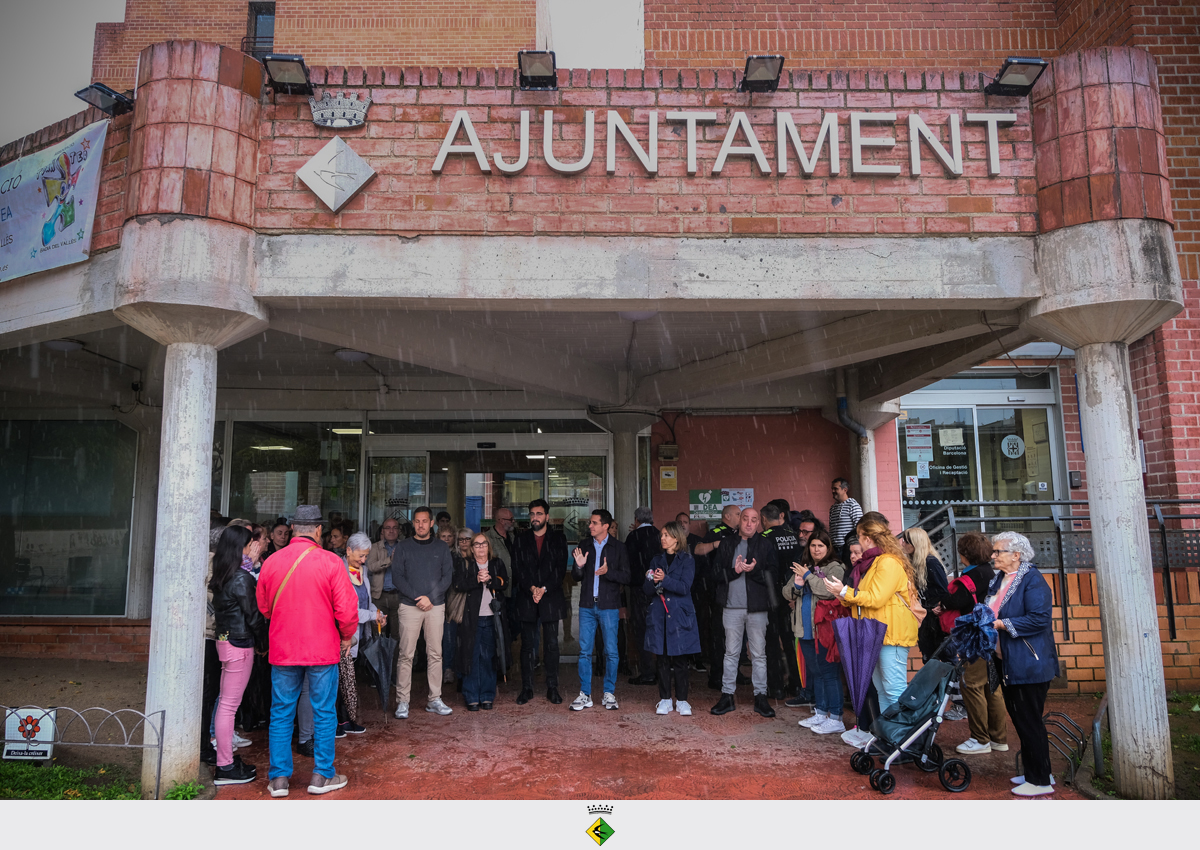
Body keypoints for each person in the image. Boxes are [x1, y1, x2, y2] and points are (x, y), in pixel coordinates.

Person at [256, 505, 358, 797]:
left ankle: (278, 779)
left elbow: (263, 606)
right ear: (317, 530)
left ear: (292, 530)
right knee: (324, 712)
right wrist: (347, 636)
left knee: (281, 712)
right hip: (322, 649)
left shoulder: (272, 561)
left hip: (283, 648)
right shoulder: (331, 562)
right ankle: (322, 775)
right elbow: (347, 610)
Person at [823, 515, 918, 725]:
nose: (857, 541)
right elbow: (862, 598)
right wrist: (842, 594)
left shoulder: (888, 562)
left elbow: (875, 598)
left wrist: (846, 592)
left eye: (859, 536)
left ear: (866, 538)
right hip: (876, 633)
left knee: (893, 690)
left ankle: (902, 740)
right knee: (883, 690)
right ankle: (890, 738)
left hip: (890, 634)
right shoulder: (875, 563)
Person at [988, 531, 1058, 796]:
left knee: (1029, 721)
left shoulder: (1032, 580)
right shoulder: (1001, 579)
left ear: (1016, 555)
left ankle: (1039, 781)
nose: (993, 556)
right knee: (1021, 719)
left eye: (998, 552)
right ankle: (1038, 771)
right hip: (1007, 661)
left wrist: (1002, 624)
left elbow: (1040, 619)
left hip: (1029, 662)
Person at [933, 531, 1007, 756]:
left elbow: (954, 600)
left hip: (973, 638)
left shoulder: (971, 576)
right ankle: (998, 738)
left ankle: (980, 738)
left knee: (972, 686)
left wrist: (941, 598)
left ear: (965, 554)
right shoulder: (993, 573)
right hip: (993, 636)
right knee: (991, 687)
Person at [210, 525, 267, 784]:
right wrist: (263, 643)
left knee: (225, 702)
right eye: (248, 545)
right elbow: (253, 616)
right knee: (228, 706)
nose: (251, 549)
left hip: (224, 640)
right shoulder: (241, 578)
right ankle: (225, 765)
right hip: (240, 644)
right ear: (239, 548)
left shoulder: (223, 574)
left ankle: (226, 762)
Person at [710, 507, 777, 718]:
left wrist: (755, 571)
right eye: (745, 519)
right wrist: (734, 571)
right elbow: (714, 573)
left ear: (759, 522)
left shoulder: (765, 544)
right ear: (739, 520)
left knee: (758, 654)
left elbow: (774, 575)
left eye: (754, 520)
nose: (749, 523)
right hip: (731, 607)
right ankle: (727, 695)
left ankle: (761, 697)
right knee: (730, 653)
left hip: (757, 607)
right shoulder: (728, 543)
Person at [390, 506, 455, 719]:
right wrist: (419, 597)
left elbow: (447, 577)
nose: (420, 525)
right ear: (413, 523)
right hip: (410, 606)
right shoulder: (403, 547)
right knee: (406, 654)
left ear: (432, 522)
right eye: (417, 521)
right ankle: (402, 701)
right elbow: (398, 577)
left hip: (435, 606)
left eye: (424, 521)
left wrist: (430, 597)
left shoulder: (442, 547)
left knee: (435, 653)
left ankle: (434, 699)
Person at [784, 529, 846, 734]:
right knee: (816, 673)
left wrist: (808, 576)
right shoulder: (804, 568)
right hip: (805, 629)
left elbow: (827, 591)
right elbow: (786, 592)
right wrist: (797, 583)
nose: (816, 549)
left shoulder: (835, 567)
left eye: (821, 545)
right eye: (813, 545)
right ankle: (821, 713)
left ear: (828, 548)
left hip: (825, 629)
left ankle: (836, 717)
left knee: (829, 673)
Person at [569, 509, 631, 711]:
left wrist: (608, 572)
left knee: (611, 651)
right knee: (585, 651)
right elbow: (576, 577)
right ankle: (585, 694)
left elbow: (627, 577)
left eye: (594, 523)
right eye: (590, 522)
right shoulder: (584, 545)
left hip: (609, 605)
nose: (590, 526)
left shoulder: (618, 548)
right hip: (587, 605)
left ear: (606, 526)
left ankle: (609, 693)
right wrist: (578, 567)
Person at [512, 499, 568, 704]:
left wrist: (543, 589)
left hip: (550, 596)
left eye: (539, 514)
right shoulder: (520, 539)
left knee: (552, 645)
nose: (535, 517)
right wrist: (532, 588)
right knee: (527, 646)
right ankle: (527, 688)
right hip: (527, 597)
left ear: (547, 516)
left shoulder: (558, 538)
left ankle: (552, 687)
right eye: (532, 514)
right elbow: (518, 568)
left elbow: (560, 569)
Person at [643, 520, 701, 715]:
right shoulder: (656, 560)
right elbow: (647, 589)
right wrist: (652, 580)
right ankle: (665, 699)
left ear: (677, 538)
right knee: (662, 659)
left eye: (666, 535)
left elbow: (684, 587)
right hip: (660, 614)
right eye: (662, 535)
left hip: (679, 615)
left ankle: (683, 700)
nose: (663, 538)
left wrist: (664, 579)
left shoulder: (687, 560)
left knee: (680, 660)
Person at [452, 533, 509, 709]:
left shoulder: (497, 563)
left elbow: (505, 583)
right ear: (471, 548)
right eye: (477, 544)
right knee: (471, 656)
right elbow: (457, 584)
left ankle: (487, 696)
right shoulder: (465, 564)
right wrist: (476, 579)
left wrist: (491, 580)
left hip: (492, 618)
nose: (481, 547)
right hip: (471, 619)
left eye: (484, 543)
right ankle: (471, 697)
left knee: (488, 657)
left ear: (489, 546)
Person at [694, 505, 739, 687]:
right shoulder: (717, 532)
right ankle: (717, 674)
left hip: (736, 590)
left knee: (735, 634)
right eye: (737, 514)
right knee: (719, 633)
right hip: (718, 589)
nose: (740, 517)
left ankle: (733, 672)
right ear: (727, 516)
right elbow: (697, 550)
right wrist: (714, 545)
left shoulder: (739, 534)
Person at [761, 503, 802, 702]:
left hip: (771, 597)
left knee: (771, 643)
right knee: (791, 642)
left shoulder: (764, 538)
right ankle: (797, 684)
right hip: (793, 595)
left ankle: (776, 687)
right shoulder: (795, 536)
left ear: (763, 520)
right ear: (782, 516)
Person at [625, 506, 661, 685]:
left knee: (641, 629)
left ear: (636, 520)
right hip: (659, 589)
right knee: (659, 628)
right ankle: (662, 670)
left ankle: (647, 672)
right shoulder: (660, 534)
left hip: (639, 589)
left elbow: (628, 562)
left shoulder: (633, 537)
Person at [442, 527, 472, 685]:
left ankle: (463, 671)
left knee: (466, 638)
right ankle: (448, 669)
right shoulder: (452, 557)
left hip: (471, 603)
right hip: (452, 601)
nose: (464, 542)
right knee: (450, 636)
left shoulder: (476, 558)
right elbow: (455, 582)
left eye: (467, 539)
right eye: (461, 539)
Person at [366, 517, 402, 643]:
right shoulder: (375, 547)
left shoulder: (404, 547)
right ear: (383, 530)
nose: (391, 531)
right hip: (379, 596)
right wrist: (389, 560)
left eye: (394, 528)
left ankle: (394, 663)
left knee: (397, 635)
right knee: (378, 633)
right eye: (388, 528)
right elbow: (371, 567)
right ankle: (379, 663)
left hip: (399, 596)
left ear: (399, 531)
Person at [900, 527, 949, 609]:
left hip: (934, 611)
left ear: (916, 544)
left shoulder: (931, 562)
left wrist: (935, 605)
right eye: (903, 541)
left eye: (907, 542)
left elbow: (943, 589)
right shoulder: (913, 561)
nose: (903, 544)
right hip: (925, 608)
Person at [828, 478, 863, 557]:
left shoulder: (852, 505)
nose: (833, 491)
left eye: (835, 489)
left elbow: (859, 527)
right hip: (834, 548)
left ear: (845, 490)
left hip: (847, 548)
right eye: (832, 489)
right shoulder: (833, 508)